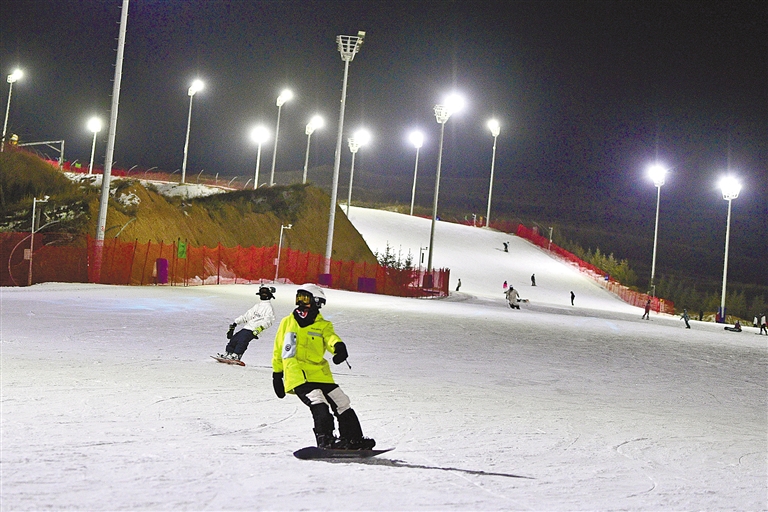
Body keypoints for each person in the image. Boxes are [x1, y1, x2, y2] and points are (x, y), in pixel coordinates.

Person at [271, 284, 375, 450]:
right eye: (299, 298)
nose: (301, 302)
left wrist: (338, 347)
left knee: (342, 402)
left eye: (305, 298)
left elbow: (330, 338)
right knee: (319, 402)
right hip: (298, 374)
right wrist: (277, 375)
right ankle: (325, 440)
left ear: (316, 302)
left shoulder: (323, 325)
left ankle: (353, 439)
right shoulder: (287, 322)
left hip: (320, 373)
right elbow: (278, 349)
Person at [219, 285, 276, 361]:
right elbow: (247, 316)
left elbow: (269, 320)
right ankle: (228, 353)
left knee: (243, 340)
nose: (263, 294)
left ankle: (237, 355)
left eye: (265, 293)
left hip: (255, 329)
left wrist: (260, 328)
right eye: (262, 292)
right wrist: (235, 323)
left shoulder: (268, 308)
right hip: (248, 327)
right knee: (235, 338)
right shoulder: (257, 306)